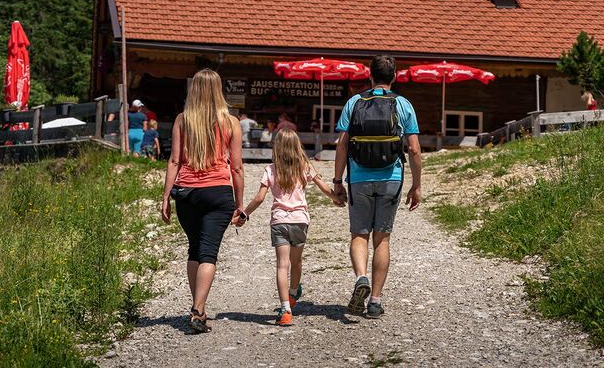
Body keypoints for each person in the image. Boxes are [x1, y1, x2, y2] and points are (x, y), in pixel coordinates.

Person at [332, 55, 422, 319]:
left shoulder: (354, 102)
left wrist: (337, 182)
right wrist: (416, 186)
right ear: (394, 77)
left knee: (359, 235)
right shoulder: (404, 104)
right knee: (382, 238)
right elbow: (414, 149)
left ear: (369, 76)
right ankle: (375, 301)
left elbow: (342, 145)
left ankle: (361, 277)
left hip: (358, 178)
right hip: (390, 178)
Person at [160, 69, 245, 334]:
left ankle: (198, 307)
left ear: (193, 90)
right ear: (219, 90)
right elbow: (238, 167)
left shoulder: (183, 120)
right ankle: (198, 310)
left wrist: (165, 197)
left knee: (194, 249)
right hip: (218, 192)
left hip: (186, 192)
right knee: (209, 252)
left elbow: (175, 160)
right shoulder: (231, 122)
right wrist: (240, 204)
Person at [237, 129, 342, 326]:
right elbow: (322, 186)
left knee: (281, 265)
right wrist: (336, 198)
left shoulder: (270, 169)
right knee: (297, 261)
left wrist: (244, 214)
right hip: (299, 221)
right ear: (296, 146)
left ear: (277, 147)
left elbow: (260, 198)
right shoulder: (305, 166)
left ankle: (285, 310)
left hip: (279, 221)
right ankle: (293, 292)